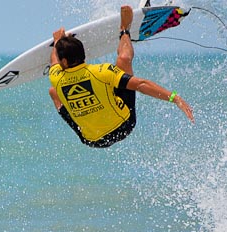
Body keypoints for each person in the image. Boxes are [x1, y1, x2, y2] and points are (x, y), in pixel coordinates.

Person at [48, 5, 194, 148]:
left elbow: (54, 62)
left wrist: (57, 42)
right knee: (123, 60)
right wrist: (174, 97)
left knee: (54, 92)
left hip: (92, 140)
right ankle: (124, 30)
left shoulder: (56, 77)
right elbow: (140, 84)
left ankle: (85, 123)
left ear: (64, 62)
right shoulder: (101, 71)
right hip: (123, 126)